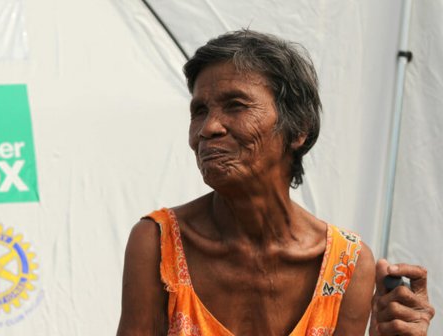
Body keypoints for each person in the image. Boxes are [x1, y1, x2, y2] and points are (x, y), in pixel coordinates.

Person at [117, 30, 434, 335]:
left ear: (299, 130)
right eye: (199, 110)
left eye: (237, 106)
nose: (207, 128)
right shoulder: (158, 244)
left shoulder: (346, 265)